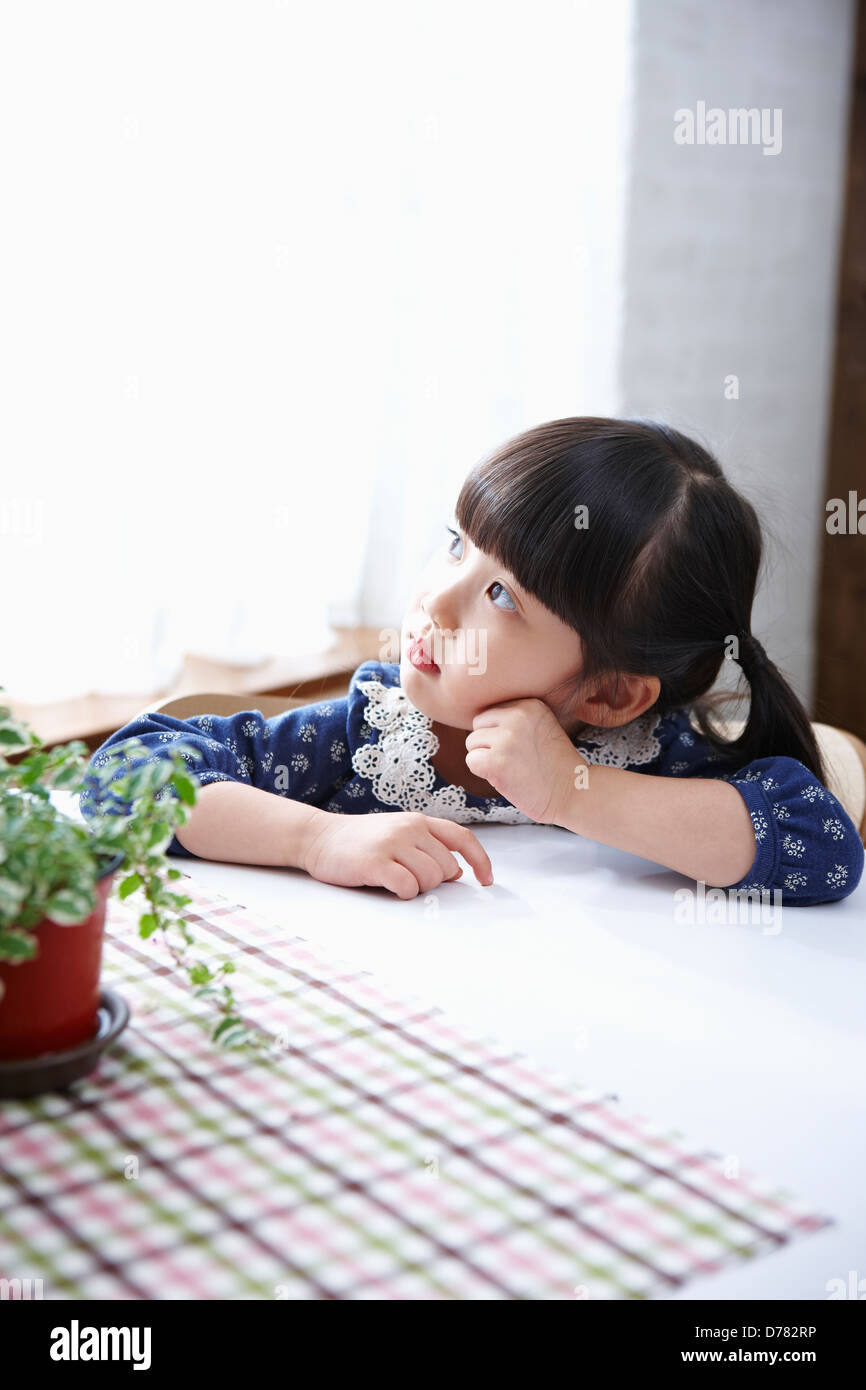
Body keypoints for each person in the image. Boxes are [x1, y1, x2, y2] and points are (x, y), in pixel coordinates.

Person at [80, 417, 864, 906]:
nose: (437, 600)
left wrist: (572, 792)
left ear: (614, 694)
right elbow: (130, 775)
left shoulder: (656, 760)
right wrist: (315, 840)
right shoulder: (373, 740)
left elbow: (821, 848)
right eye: (456, 543)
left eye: (503, 596)